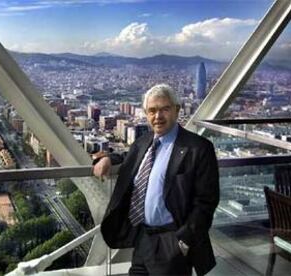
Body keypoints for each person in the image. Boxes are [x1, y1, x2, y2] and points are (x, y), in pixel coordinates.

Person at [93, 84, 219, 276]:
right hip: (142, 238)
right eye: (152, 110)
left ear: (177, 110)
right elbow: (129, 156)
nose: (157, 116)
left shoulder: (198, 148)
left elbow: (206, 202)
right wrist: (109, 159)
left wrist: (182, 242)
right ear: (146, 113)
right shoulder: (144, 141)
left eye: (164, 109)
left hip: (172, 241)